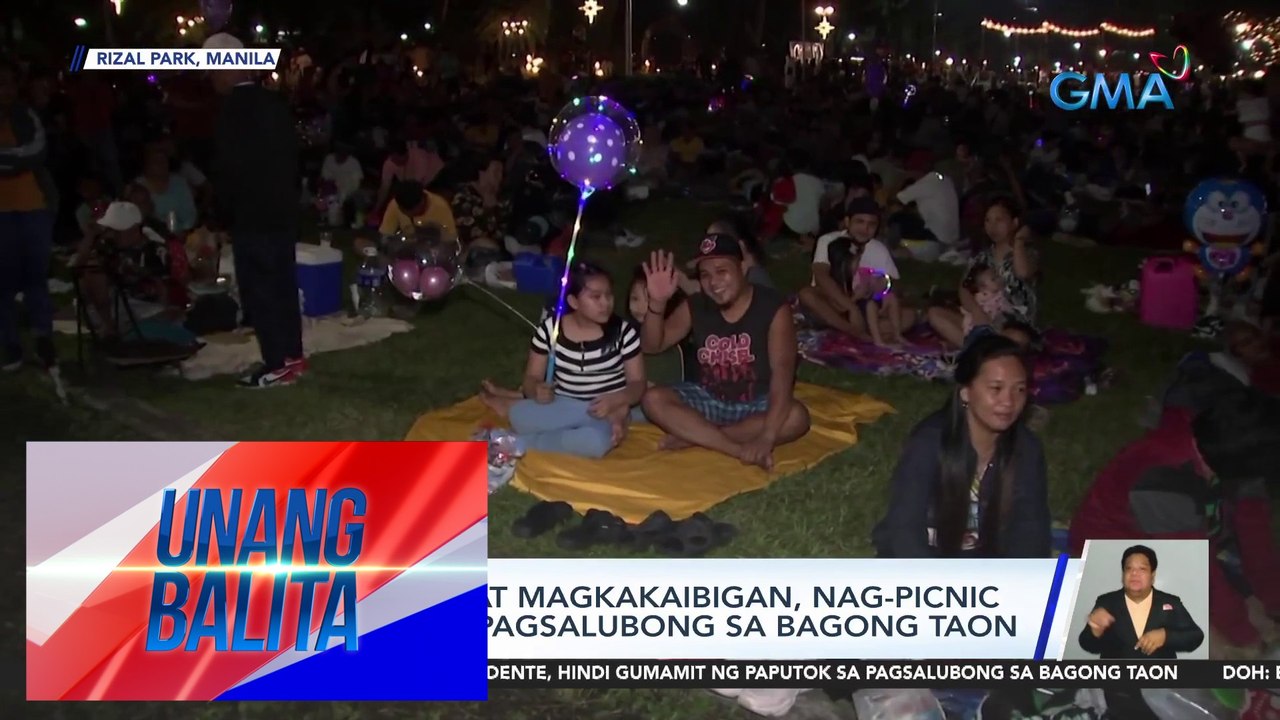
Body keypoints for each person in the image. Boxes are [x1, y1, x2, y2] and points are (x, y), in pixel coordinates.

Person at [1069, 388, 1280, 658]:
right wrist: (1241, 634)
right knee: (1211, 648)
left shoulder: (1234, 449)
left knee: (1256, 615)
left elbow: (1255, 532)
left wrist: (1272, 601)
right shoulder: (1165, 478)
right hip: (1116, 549)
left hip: (1178, 543)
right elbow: (1194, 568)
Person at [637, 239, 811, 469]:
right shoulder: (696, 305)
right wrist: (657, 304)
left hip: (757, 403)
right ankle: (733, 448)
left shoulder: (772, 307)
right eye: (705, 275)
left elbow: (782, 373)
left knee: (797, 418)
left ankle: (697, 436)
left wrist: (767, 437)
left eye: (722, 271)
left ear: (742, 268)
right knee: (652, 399)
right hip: (708, 399)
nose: (713, 282)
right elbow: (652, 346)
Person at [872, 334, 1050, 558]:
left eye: (1019, 390)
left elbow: (1031, 529)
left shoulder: (1026, 448)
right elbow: (905, 528)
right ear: (966, 392)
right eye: (996, 388)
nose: (1008, 402)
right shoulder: (929, 442)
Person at [207, 33, 305, 388]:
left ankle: (276, 362)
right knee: (282, 285)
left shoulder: (231, 112)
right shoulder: (273, 103)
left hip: (252, 214)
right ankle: (292, 356)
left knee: (261, 291)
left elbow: (228, 171)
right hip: (281, 210)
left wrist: (222, 215)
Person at [479, 261, 645, 460]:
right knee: (519, 416)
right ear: (573, 302)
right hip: (564, 407)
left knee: (596, 442)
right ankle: (592, 421)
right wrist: (536, 391)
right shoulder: (550, 331)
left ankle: (521, 442)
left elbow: (637, 384)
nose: (605, 303)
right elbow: (531, 378)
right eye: (596, 297)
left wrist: (617, 402)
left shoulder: (624, 333)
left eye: (609, 295)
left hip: (610, 408)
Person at [0, 59, 59, 372]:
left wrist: (10, 161)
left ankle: (43, 340)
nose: (5, 90)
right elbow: (21, 157)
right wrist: (15, 160)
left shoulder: (25, 115)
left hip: (33, 207)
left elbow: (35, 153)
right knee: (4, 283)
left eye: (8, 83)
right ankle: (11, 346)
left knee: (37, 279)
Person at [798, 197, 914, 342]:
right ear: (847, 222)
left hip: (864, 309)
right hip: (832, 303)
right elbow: (821, 275)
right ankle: (856, 333)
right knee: (807, 294)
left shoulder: (878, 249)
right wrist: (850, 306)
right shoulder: (829, 241)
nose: (865, 229)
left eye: (871, 224)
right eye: (860, 222)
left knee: (909, 316)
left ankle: (849, 330)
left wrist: (884, 285)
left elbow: (895, 287)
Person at [927, 197, 1038, 348]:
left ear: (1014, 223)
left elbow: (1023, 273)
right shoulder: (983, 256)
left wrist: (1019, 241)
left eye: (999, 220)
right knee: (935, 314)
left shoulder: (1027, 254)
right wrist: (977, 312)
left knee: (1017, 338)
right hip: (981, 319)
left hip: (1013, 324)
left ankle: (978, 348)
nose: (993, 226)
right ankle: (981, 349)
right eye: (988, 220)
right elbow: (964, 287)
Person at [1078, 545, 1206, 659]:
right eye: (1129, 569)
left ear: (1153, 575)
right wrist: (1095, 630)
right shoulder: (1107, 601)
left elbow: (1195, 637)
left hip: (1160, 679)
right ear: (1123, 574)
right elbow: (1087, 644)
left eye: (1142, 569)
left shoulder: (1170, 602)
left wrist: (1166, 636)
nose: (1134, 573)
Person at [136, 143, 197, 233]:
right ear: (147, 165)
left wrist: (184, 231)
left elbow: (190, 215)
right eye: (156, 162)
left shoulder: (180, 183)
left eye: (164, 161)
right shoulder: (137, 187)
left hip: (182, 235)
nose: (162, 165)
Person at [378, 179, 457, 240]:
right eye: (405, 212)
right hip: (406, 247)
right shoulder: (395, 203)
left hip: (433, 250)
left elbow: (450, 239)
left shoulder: (440, 207)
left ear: (422, 201)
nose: (410, 216)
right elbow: (386, 233)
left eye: (414, 213)